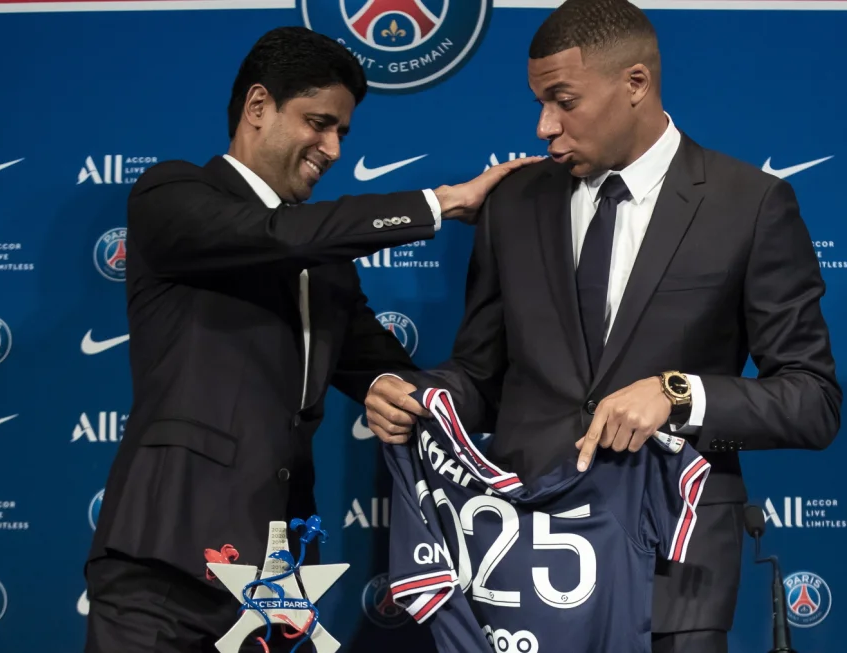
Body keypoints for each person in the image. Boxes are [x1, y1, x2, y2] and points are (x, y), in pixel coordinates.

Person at [364, 2, 842, 652]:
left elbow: (812, 400)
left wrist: (678, 394)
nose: (543, 127)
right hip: (525, 564)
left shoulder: (749, 204)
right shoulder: (515, 203)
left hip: (672, 570)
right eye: (538, 102)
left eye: (563, 101)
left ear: (635, 84)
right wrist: (423, 398)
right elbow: (481, 373)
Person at [83, 26, 538, 653]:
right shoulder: (172, 194)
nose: (331, 148)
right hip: (166, 563)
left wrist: (437, 395)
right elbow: (277, 235)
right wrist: (438, 205)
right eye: (318, 123)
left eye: (343, 134)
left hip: (277, 577)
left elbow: (378, 367)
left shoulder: (327, 260)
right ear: (258, 107)